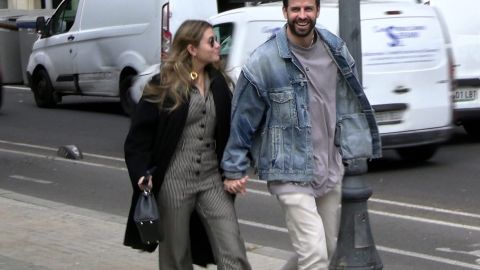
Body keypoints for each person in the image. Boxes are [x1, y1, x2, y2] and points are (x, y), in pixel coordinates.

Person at [221, 0, 382, 269]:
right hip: (289, 169)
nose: (302, 15)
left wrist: (352, 144)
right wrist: (234, 167)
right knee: (314, 253)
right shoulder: (265, 60)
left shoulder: (335, 50)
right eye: (295, 9)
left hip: (328, 167)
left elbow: (350, 103)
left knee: (326, 248)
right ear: (285, 12)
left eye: (308, 9)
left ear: (317, 11)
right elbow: (243, 118)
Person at [123, 20, 251, 270]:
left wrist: (236, 169)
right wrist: (141, 174)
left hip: (212, 180)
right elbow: (138, 138)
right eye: (211, 41)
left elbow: (234, 131)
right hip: (174, 181)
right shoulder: (164, 85)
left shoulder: (219, 84)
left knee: (233, 251)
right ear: (192, 49)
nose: (218, 46)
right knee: (176, 256)